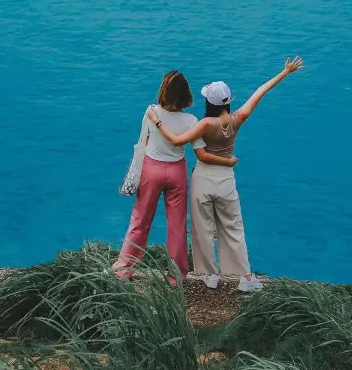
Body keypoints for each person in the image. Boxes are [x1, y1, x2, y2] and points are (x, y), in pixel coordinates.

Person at [147, 57, 304, 291]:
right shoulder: (237, 119)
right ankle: (246, 278)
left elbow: (177, 140)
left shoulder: (203, 124)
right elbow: (260, 91)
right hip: (225, 180)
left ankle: (210, 275)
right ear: (228, 102)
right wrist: (285, 73)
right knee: (233, 227)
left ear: (209, 102)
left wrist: (157, 121)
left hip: (202, 179)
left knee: (203, 228)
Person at [114, 70, 238, 280]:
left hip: (151, 170)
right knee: (177, 225)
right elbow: (201, 152)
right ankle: (176, 276)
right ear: (185, 95)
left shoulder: (151, 111)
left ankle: (123, 270)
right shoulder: (191, 120)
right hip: (176, 172)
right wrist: (227, 161)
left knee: (140, 220)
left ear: (164, 91)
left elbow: (142, 142)